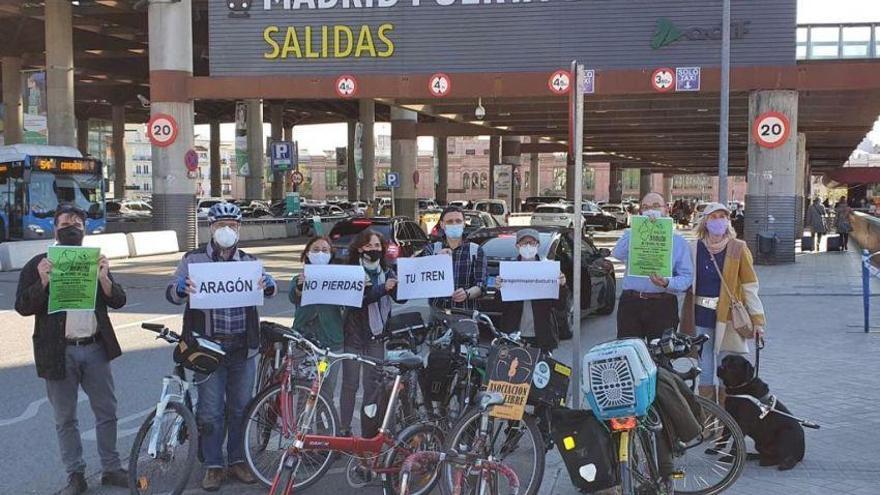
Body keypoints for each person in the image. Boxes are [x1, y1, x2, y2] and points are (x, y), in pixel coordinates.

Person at [15, 204, 129, 495]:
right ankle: (75, 475)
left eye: (77, 221)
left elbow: (118, 300)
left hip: (95, 347)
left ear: (84, 228)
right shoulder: (38, 263)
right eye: (66, 221)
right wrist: (42, 281)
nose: (72, 225)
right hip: (58, 351)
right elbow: (22, 307)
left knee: (107, 411)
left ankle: (111, 468)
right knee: (65, 418)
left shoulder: (95, 260)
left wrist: (104, 278)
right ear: (55, 227)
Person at [166, 202, 277, 491]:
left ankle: (238, 460)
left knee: (241, 408)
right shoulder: (193, 260)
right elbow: (171, 292)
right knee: (210, 411)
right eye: (220, 226)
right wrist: (181, 289)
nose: (227, 231)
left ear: (240, 229)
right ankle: (213, 465)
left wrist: (268, 282)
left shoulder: (249, 261)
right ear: (211, 229)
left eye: (233, 226)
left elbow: (270, 288)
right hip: (208, 350)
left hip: (243, 348)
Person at [680, 203, 766, 402]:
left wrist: (758, 321)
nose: (718, 221)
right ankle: (708, 420)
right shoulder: (694, 248)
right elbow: (684, 277)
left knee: (726, 371)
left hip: (728, 318)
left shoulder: (738, 247)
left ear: (728, 221)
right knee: (705, 370)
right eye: (713, 217)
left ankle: (726, 425)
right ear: (705, 221)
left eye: (722, 216)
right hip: (701, 317)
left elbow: (749, 286)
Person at [339, 229, 400, 440]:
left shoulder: (387, 270)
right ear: (359, 248)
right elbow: (358, 300)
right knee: (349, 384)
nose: (374, 250)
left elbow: (401, 299)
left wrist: (399, 287)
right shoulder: (351, 271)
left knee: (372, 387)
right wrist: (384, 288)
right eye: (369, 246)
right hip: (354, 337)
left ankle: (368, 432)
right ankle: (344, 430)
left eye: (377, 246)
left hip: (377, 337)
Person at [612, 192, 694, 341]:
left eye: (656, 206)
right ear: (641, 211)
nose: (651, 210)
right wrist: (637, 229)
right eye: (646, 207)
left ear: (666, 210)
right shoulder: (632, 233)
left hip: (663, 304)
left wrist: (668, 282)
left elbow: (686, 277)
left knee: (661, 354)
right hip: (632, 302)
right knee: (629, 353)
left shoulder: (678, 241)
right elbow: (617, 253)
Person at [493, 229, 568, 353]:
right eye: (524, 243)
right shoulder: (509, 271)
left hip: (542, 336)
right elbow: (499, 306)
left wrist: (562, 286)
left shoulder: (548, 270)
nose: (528, 246)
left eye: (532, 243)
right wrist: (499, 289)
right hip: (514, 336)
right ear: (517, 246)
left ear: (538, 246)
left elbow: (560, 306)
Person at [289, 236, 344, 394]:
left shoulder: (338, 281)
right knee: (305, 390)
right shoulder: (298, 279)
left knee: (325, 390)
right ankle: (302, 419)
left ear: (331, 254)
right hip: (305, 345)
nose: (320, 253)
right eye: (316, 250)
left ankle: (322, 418)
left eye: (325, 250)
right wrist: (300, 287)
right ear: (307, 253)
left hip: (329, 346)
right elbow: (294, 295)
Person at [421, 205, 487, 312]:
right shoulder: (432, 249)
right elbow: (422, 279)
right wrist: (436, 260)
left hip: (466, 312)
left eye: (458, 221)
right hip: (438, 312)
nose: (454, 224)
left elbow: (481, 285)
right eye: (450, 222)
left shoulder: (475, 251)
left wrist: (467, 293)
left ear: (464, 223)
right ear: (442, 224)